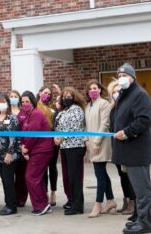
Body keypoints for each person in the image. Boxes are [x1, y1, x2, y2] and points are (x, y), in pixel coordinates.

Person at [112, 63, 151, 234]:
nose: (122, 78)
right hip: (127, 151)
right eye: (119, 75)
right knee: (137, 189)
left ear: (133, 77)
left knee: (143, 189)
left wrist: (127, 132)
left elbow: (143, 120)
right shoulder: (124, 95)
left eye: (125, 75)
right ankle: (138, 217)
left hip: (136, 150)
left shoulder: (139, 95)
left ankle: (144, 224)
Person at [85, 79, 117, 218]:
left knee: (99, 174)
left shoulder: (104, 104)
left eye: (95, 88)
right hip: (91, 144)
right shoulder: (88, 106)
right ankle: (110, 201)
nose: (93, 90)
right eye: (91, 88)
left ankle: (98, 203)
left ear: (99, 90)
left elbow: (105, 124)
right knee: (102, 173)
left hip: (101, 144)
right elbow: (86, 125)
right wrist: (86, 140)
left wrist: (97, 142)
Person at [20, 90, 54, 216]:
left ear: (32, 101)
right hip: (36, 150)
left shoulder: (36, 114)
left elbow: (33, 134)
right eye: (22, 102)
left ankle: (41, 205)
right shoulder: (28, 114)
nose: (24, 104)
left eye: (27, 101)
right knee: (36, 178)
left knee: (31, 177)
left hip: (42, 150)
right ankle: (44, 204)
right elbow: (24, 133)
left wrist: (26, 148)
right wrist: (24, 146)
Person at [54, 87, 86, 215]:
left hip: (75, 147)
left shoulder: (76, 110)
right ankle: (73, 202)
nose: (66, 98)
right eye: (64, 96)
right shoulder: (64, 110)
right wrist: (56, 137)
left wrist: (61, 137)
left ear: (74, 97)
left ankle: (78, 206)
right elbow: (59, 125)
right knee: (69, 176)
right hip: (65, 147)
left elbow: (74, 126)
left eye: (69, 96)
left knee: (75, 177)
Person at [107, 79, 136, 216]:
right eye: (113, 92)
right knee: (122, 174)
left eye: (118, 91)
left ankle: (133, 201)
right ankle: (126, 199)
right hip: (116, 145)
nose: (116, 94)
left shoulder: (126, 105)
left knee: (129, 174)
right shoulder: (113, 107)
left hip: (126, 143)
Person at [37, 85, 58, 207]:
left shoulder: (52, 107)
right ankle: (44, 192)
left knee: (52, 167)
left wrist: (59, 91)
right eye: (45, 92)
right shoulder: (36, 107)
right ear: (39, 93)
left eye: (49, 94)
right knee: (43, 168)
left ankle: (53, 192)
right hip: (40, 141)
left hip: (52, 140)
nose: (47, 95)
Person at [10, 90, 28, 208]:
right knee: (10, 175)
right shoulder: (4, 112)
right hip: (9, 149)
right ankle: (11, 198)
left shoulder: (24, 112)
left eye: (15, 96)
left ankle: (21, 198)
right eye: (11, 96)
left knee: (21, 175)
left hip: (21, 147)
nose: (13, 98)